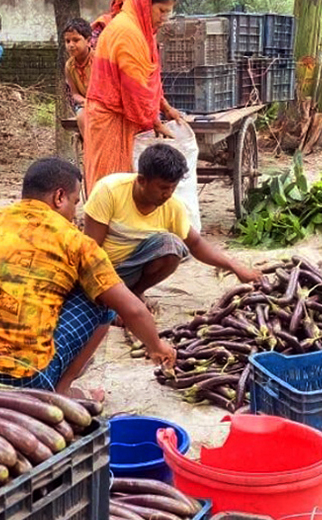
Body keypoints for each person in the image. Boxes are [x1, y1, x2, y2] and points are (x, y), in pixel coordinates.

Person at [0, 157, 176, 398]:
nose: (75, 214)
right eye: (75, 203)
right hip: (27, 379)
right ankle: (60, 393)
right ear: (59, 197)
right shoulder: (75, 240)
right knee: (103, 298)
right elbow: (133, 310)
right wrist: (157, 346)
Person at [84, 143, 261, 306]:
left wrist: (235, 267)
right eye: (162, 188)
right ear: (141, 180)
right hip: (103, 269)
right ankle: (118, 300)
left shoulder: (172, 206)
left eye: (173, 187)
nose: (168, 194)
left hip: (134, 271)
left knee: (172, 245)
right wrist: (113, 301)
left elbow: (196, 244)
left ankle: (134, 293)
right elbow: (90, 251)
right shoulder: (109, 191)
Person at [83, 0, 184, 190]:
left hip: (122, 117)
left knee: (124, 184)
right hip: (110, 120)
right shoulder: (127, 32)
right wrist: (155, 123)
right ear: (146, 5)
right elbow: (135, 90)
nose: (164, 18)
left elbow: (147, 81)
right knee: (109, 185)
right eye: (162, 11)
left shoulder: (140, 29)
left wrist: (166, 108)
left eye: (168, 13)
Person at [63, 19, 93, 134]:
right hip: (84, 105)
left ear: (88, 41)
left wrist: (94, 103)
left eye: (76, 40)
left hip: (102, 103)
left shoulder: (99, 61)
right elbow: (74, 93)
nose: (71, 45)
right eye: (67, 41)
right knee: (82, 116)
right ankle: (89, 149)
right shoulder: (69, 66)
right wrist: (84, 101)